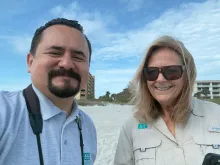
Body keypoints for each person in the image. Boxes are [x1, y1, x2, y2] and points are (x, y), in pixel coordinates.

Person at [0, 18, 97, 165]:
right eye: (55, 52)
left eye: (78, 57)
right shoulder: (5, 112)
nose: (67, 64)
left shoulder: (87, 125)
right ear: (30, 62)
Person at [114, 36, 220, 165]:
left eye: (171, 71)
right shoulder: (131, 127)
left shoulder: (217, 115)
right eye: (152, 72)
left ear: (187, 75)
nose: (160, 79)